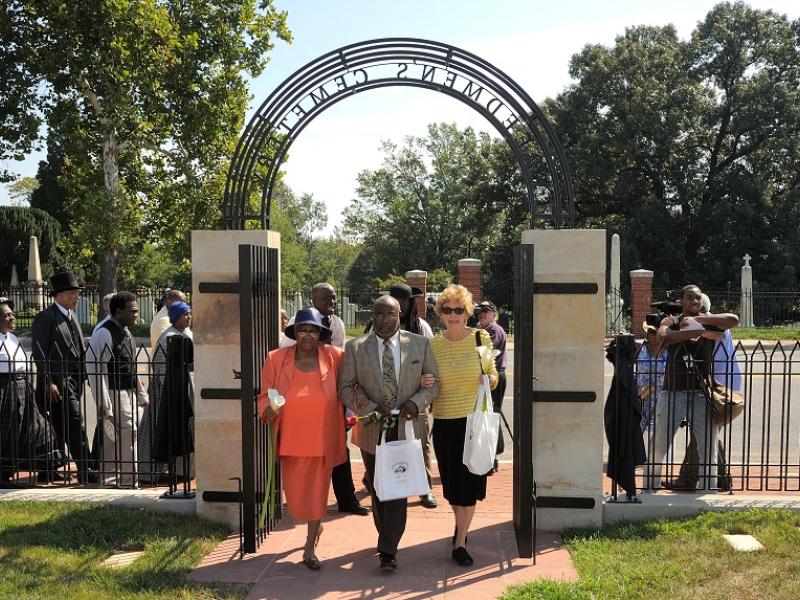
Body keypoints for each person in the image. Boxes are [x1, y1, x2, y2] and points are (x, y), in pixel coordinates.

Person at [339, 295, 439, 571]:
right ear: (373, 316)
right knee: (379, 487)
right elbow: (345, 388)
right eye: (379, 315)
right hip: (372, 428)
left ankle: (388, 551)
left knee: (398, 488)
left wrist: (415, 403)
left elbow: (434, 385)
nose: (384, 320)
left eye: (390, 315)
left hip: (408, 428)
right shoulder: (356, 347)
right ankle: (386, 535)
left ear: (399, 315)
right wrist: (372, 407)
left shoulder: (419, 344)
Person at [258, 308, 346, 571]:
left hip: (323, 438)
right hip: (290, 439)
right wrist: (268, 409)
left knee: (317, 495)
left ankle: (309, 547)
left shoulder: (335, 357)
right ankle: (313, 527)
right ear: (295, 333)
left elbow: (352, 383)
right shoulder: (276, 359)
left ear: (320, 334)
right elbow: (264, 395)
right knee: (297, 497)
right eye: (303, 330)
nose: (308, 335)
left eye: (313, 330)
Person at [282, 283, 367, 516]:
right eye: (327, 299)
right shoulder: (297, 322)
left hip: (332, 395)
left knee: (340, 448)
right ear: (314, 299)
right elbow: (287, 356)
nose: (332, 303)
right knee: (307, 451)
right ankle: (304, 498)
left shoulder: (337, 323)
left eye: (334, 298)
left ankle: (347, 499)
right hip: (305, 398)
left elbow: (340, 357)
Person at [430, 284, 498, 566]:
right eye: (448, 310)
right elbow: (426, 378)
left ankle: (460, 543)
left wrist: (489, 380)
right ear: (440, 313)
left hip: (473, 422)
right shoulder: (433, 344)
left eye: (459, 309)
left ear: (468, 312)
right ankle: (462, 528)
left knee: (468, 487)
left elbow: (493, 376)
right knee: (452, 488)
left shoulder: (481, 339)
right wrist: (426, 382)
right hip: (445, 423)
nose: (453, 315)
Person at [651, 284, 738, 491]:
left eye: (698, 298)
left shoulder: (708, 321)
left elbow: (733, 320)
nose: (695, 301)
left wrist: (698, 321)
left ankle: (708, 488)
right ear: (681, 301)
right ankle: (650, 486)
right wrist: (696, 332)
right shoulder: (671, 321)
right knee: (659, 444)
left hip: (701, 393)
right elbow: (664, 337)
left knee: (708, 446)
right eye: (690, 297)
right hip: (672, 392)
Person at [366, 283, 437, 508]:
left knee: (420, 441)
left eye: (404, 302)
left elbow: (431, 363)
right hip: (383, 398)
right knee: (380, 440)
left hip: (413, 399)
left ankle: (424, 488)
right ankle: (373, 478)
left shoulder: (421, 328)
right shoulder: (374, 327)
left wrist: (424, 393)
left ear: (410, 303)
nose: (401, 305)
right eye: (397, 300)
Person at [31, 271, 97, 484]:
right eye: (72, 293)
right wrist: (49, 381)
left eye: (77, 293)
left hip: (74, 380)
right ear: (59, 295)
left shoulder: (72, 316)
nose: (76, 297)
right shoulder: (46, 317)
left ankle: (48, 469)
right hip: (57, 382)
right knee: (76, 423)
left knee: (59, 426)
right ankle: (85, 469)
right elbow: (39, 353)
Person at [86, 291, 149, 486]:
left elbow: (130, 366)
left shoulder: (126, 333)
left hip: (127, 393)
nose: (136, 314)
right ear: (118, 311)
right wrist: (105, 405)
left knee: (127, 435)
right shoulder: (104, 332)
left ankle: (126, 479)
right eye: (133, 311)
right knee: (116, 436)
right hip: (113, 393)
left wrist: (140, 393)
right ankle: (118, 480)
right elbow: (95, 369)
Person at [0, 299, 62, 483]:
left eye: (12, 313)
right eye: (6, 315)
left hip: (23, 387)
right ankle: (4, 473)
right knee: (7, 432)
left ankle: (47, 468)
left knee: (40, 428)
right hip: (4, 389)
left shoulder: (12, 338)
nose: (12, 317)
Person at [147, 301, 195, 486]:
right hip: (164, 394)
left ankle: (181, 472)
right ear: (176, 317)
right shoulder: (167, 337)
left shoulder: (183, 335)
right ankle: (151, 474)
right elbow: (159, 368)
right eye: (185, 314)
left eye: (190, 314)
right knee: (159, 431)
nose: (189, 317)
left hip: (181, 392)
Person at [476, 300, 507, 473]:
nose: (482, 313)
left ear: (494, 314)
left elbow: (484, 354)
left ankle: (493, 456)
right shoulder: (483, 330)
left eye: (486, 311)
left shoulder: (493, 331)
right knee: (488, 415)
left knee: (491, 416)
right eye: (480, 311)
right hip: (488, 377)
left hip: (494, 377)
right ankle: (491, 456)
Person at [636, 317, 668, 434]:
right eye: (649, 332)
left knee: (658, 436)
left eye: (654, 332)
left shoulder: (669, 352)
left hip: (661, 400)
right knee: (639, 436)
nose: (651, 335)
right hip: (641, 398)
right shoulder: (640, 348)